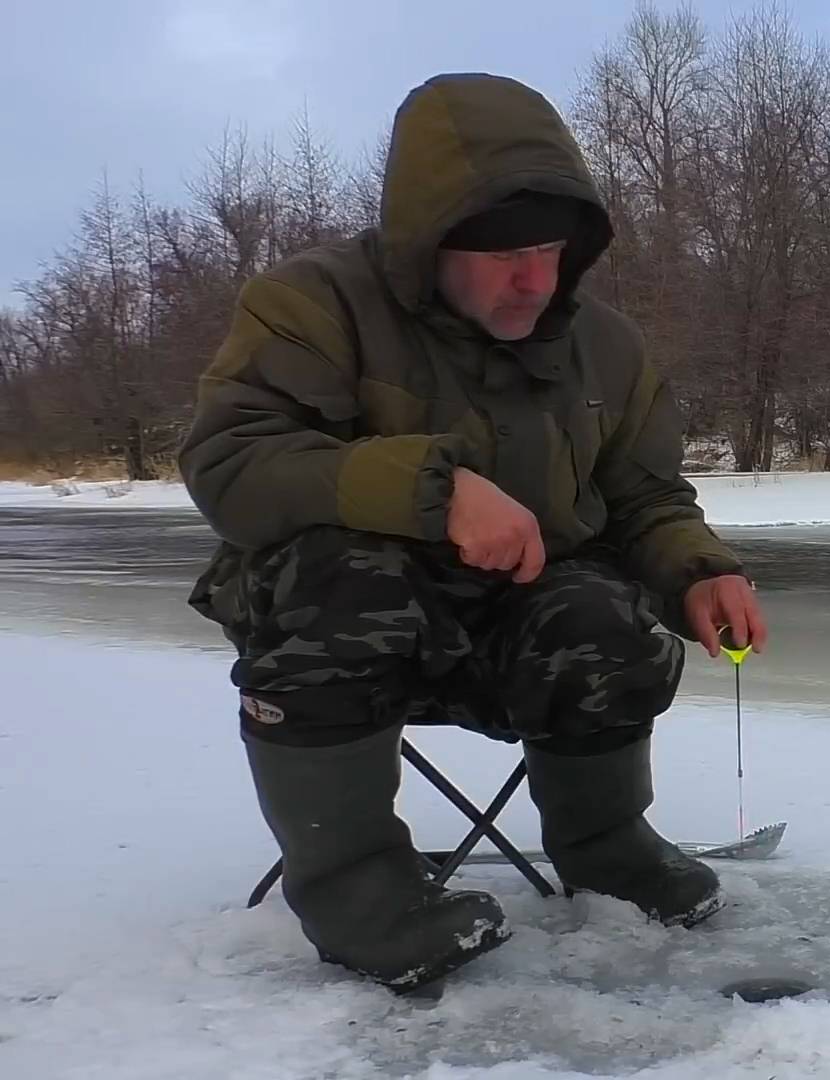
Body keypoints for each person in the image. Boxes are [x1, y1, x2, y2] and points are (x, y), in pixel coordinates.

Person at [176, 71, 768, 994]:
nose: (536, 278)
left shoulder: (606, 348)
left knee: (611, 620)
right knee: (349, 574)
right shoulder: (309, 304)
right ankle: (359, 891)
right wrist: (436, 491)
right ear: (429, 247)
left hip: (515, 629)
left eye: (551, 249)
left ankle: (607, 849)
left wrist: (697, 569)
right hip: (340, 633)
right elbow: (232, 466)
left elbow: (646, 496)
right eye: (503, 255)